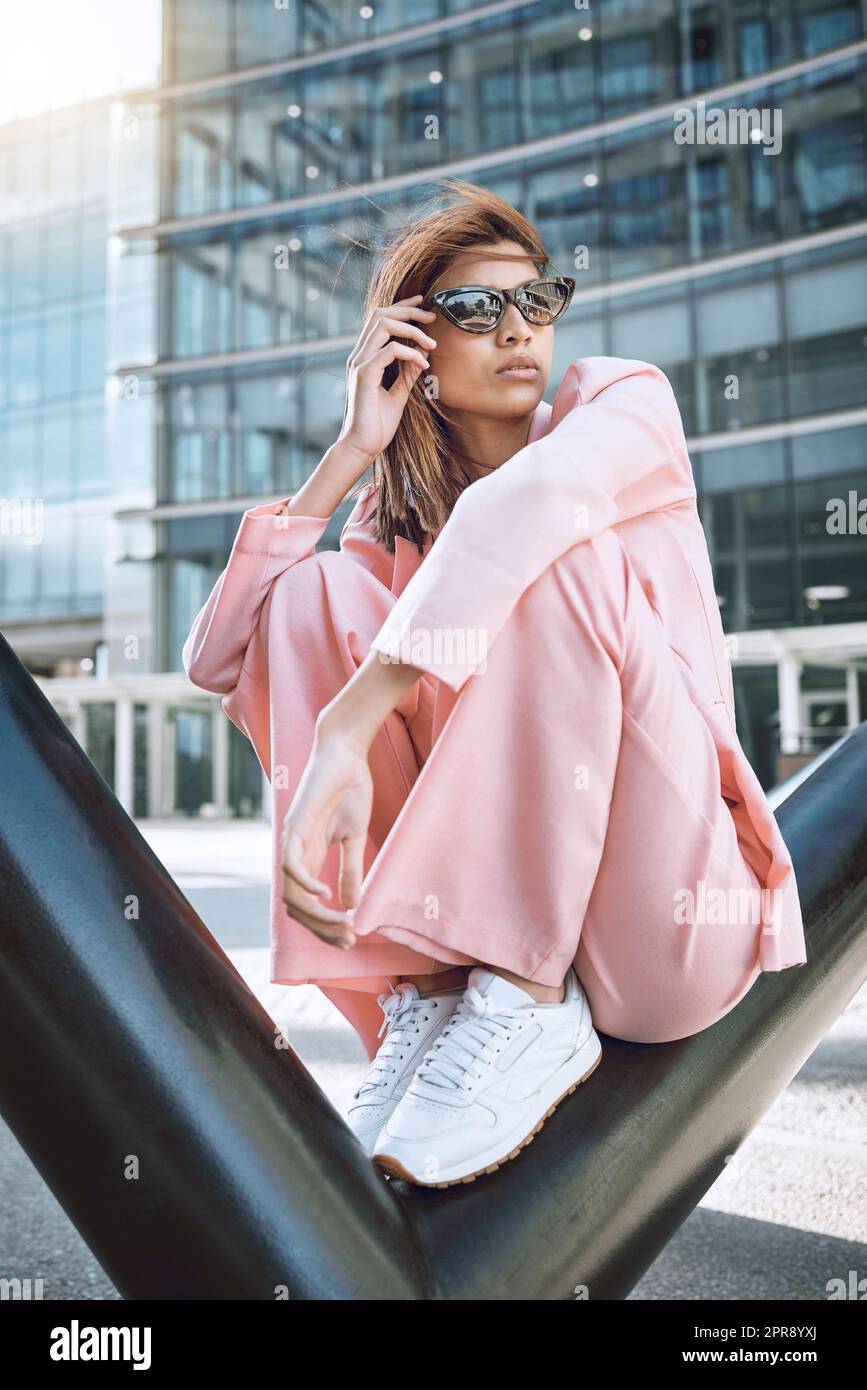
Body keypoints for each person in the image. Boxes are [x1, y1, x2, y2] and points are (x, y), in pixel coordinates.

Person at [182, 177, 807, 1189]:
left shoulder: (618, 405)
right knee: (313, 594)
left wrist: (355, 720)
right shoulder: (392, 530)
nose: (520, 329)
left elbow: (533, 505)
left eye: (540, 300)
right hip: (466, 972)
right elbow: (222, 658)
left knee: (560, 550)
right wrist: (353, 452)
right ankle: (430, 986)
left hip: (660, 923)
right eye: (478, 308)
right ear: (415, 350)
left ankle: (525, 991)